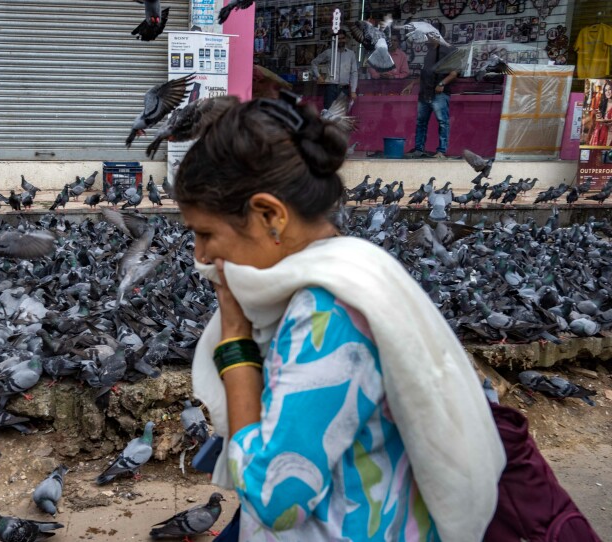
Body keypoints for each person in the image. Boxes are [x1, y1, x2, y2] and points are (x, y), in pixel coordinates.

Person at [173, 95, 506, 541]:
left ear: (270, 215)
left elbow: (276, 500)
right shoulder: (357, 268)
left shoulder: (324, 317)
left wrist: (235, 343)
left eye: (206, 233)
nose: (201, 254)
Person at [406, 23, 458, 159]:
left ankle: (441, 151)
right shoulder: (430, 51)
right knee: (421, 122)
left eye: (429, 33)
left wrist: (441, 83)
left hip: (439, 93)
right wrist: (413, 83)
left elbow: (454, 72)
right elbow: (427, 72)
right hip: (425, 92)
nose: (426, 36)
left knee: (442, 122)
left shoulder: (448, 50)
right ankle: (419, 149)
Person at [310, 29, 358, 109]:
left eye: (342, 38)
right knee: (328, 113)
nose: (341, 40)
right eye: (338, 39)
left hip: (344, 89)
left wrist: (353, 91)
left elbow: (354, 73)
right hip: (330, 88)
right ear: (335, 40)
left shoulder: (351, 54)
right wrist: (318, 76)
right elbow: (314, 63)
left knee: (341, 114)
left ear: (345, 39)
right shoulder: (328, 52)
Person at [589, 81, 612, 146]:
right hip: (601, 131)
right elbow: (600, 117)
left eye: (610, 89)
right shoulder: (603, 103)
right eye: (605, 90)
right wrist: (598, 116)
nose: (607, 92)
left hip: (610, 133)